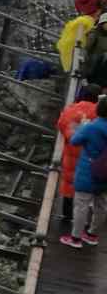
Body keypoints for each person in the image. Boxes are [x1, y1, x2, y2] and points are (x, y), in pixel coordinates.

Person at [57, 89, 100, 243]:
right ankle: (89, 225)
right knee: (89, 193)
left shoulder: (71, 110)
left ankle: (67, 214)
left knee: (69, 183)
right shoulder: (98, 113)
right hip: (91, 157)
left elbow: (61, 125)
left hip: (71, 154)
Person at [66, 96, 107, 248]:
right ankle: (92, 235)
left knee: (81, 204)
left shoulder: (92, 127)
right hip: (105, 172)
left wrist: (82, 126)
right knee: (101, 204)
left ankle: (75, 238)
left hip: (88, 170)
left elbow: (74, 140)